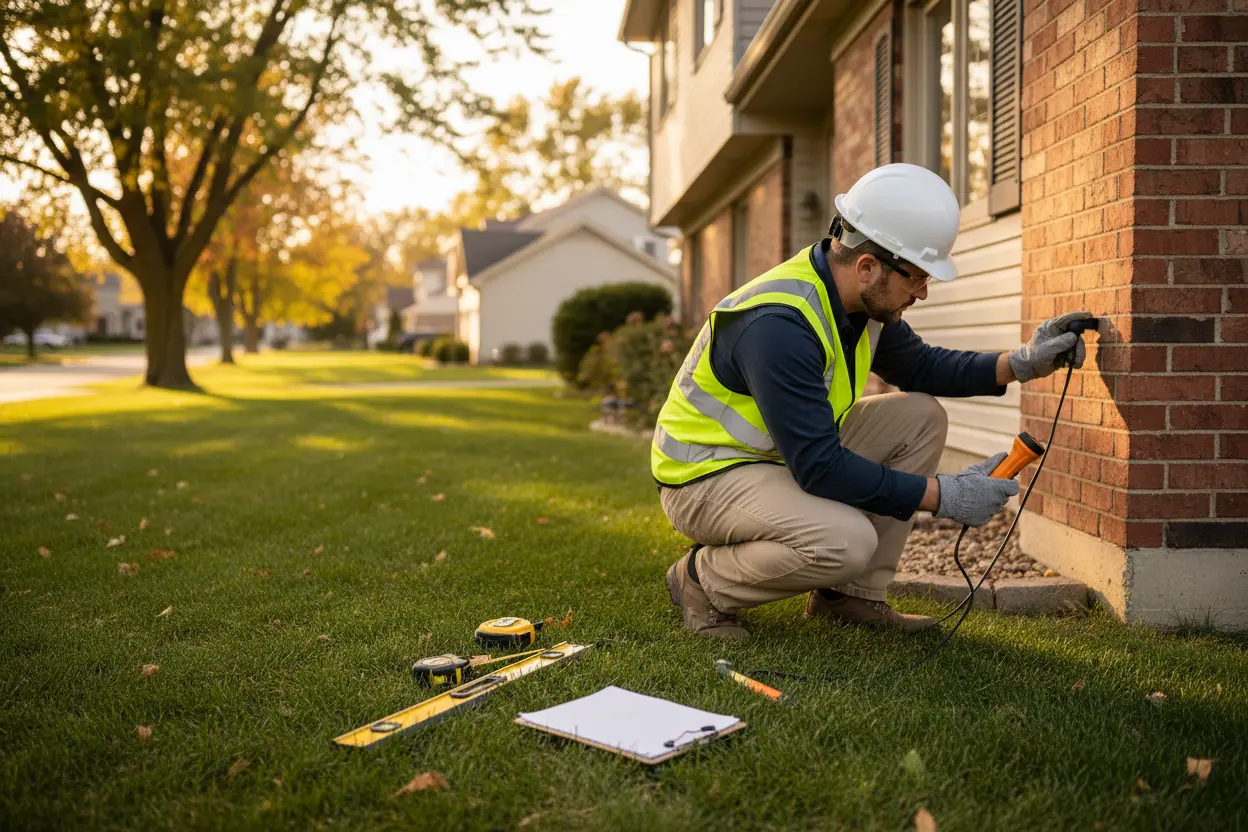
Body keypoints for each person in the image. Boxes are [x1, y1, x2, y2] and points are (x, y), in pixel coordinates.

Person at [653, 163, 1091, 639]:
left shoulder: (857, 301)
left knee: (920, 416)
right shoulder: (778, 325)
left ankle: (849, 598)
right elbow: (820, 467)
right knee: (845, 541)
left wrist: (1022, 363)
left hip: (773, 457)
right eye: (917, 277)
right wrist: (946, 496)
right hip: (705, 475)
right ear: (867, 267)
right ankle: (702, 580)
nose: (923, 293)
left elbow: (921, 367)